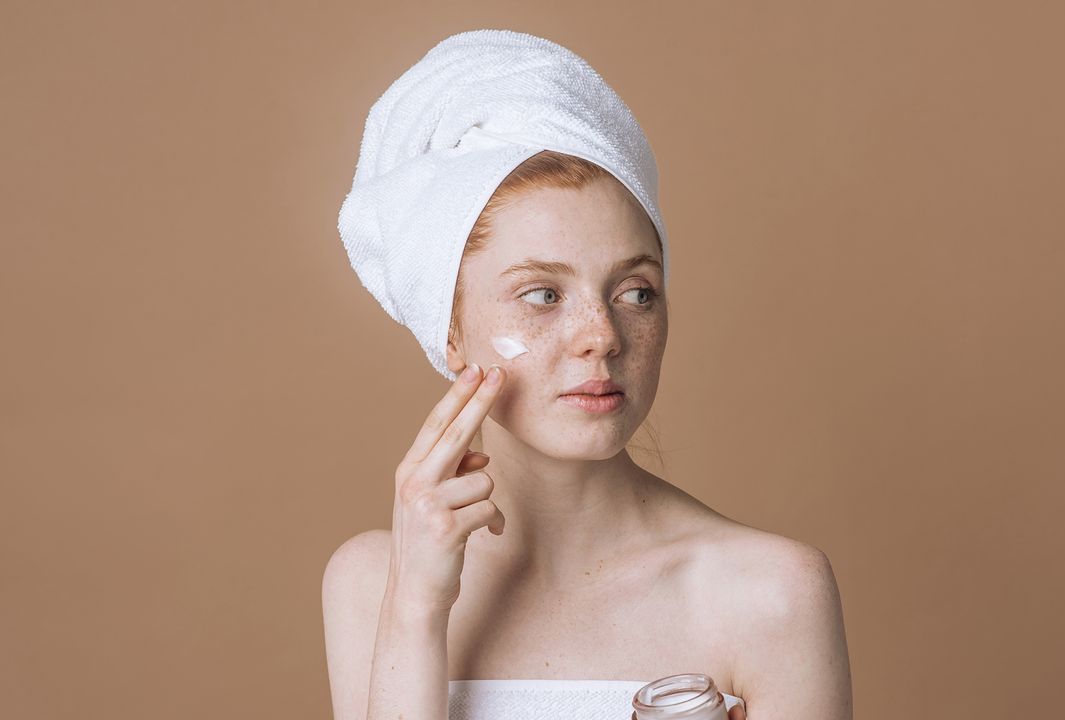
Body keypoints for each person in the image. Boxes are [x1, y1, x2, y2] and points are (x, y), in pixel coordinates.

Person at [324, 30, 852, 720]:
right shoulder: (373, 584)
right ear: (447, 331)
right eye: (542, 295)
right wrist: (417, 614)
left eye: (636, 292)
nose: (602, 337)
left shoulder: (772, 593)